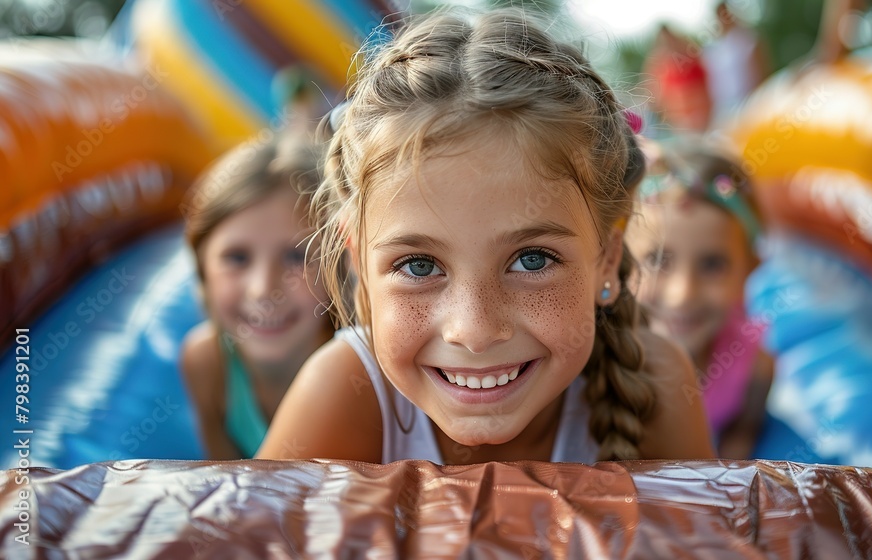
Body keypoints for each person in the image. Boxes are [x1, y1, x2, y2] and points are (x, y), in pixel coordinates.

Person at [257, 8, 715, 464]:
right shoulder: (346, 395)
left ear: (607, 259)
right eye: (419, 265)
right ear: (359, 265)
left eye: (532, 259)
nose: (474, 331)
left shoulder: (655, 388)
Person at [180, 126, 341, 460]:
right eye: (237, 258)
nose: (264, 289)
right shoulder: (209, 364)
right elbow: (228, 487)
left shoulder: (361, 372)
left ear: (336, 266)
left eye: (297, 256)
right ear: (202, 269)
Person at [626, 141, 773, 459]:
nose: (682, 295)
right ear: (618, 259)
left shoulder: (753, 362)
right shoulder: (597, 366)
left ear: (751, 268)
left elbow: (743, 432)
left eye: (712, 265)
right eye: (658, 260)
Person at [701, 1, 769, 123]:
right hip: (723, 108)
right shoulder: (714, 47)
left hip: (748, 102)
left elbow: (761, 69)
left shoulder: (746, 39)